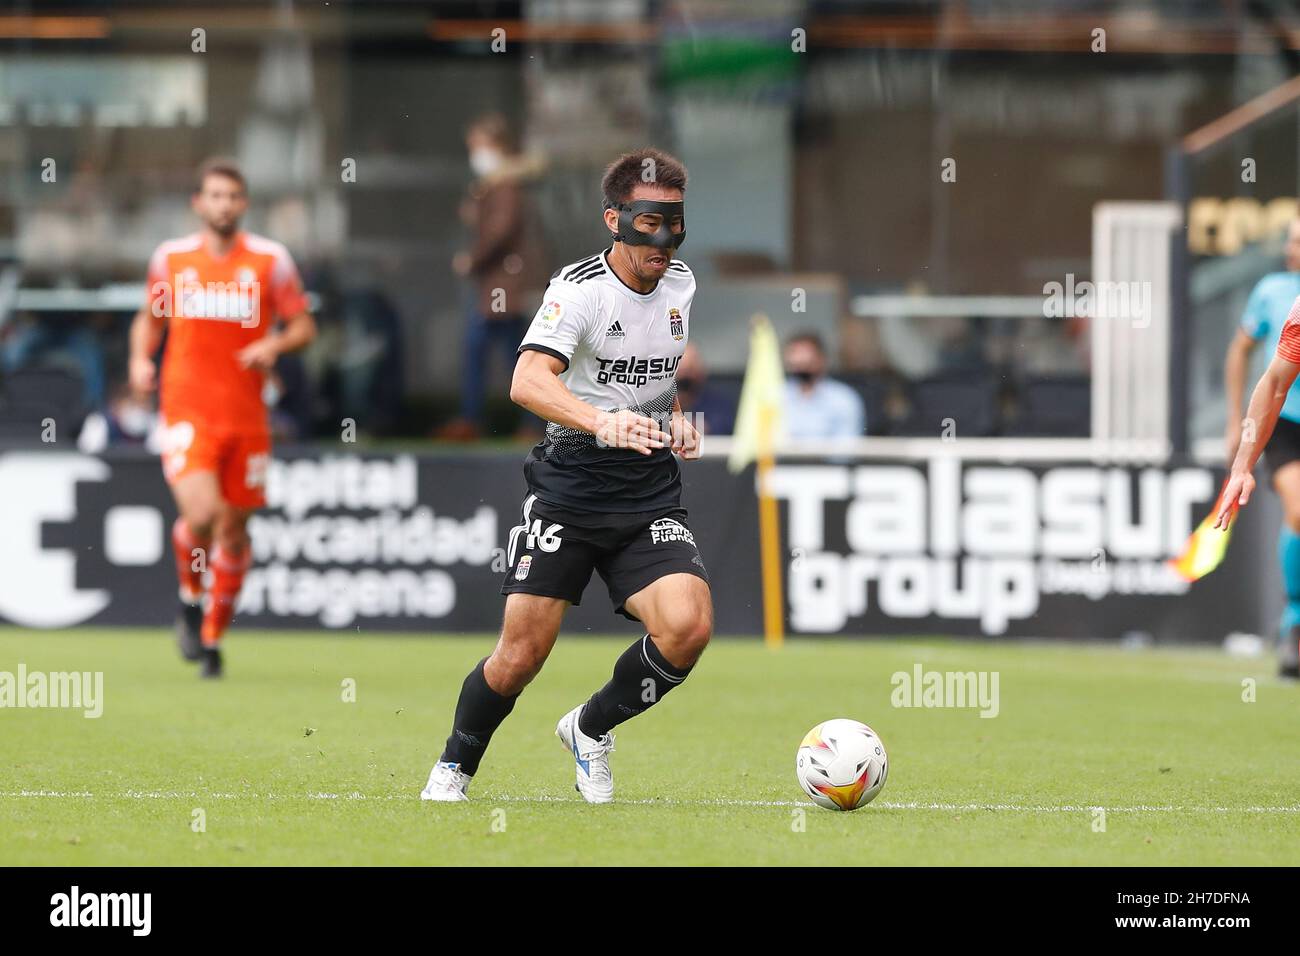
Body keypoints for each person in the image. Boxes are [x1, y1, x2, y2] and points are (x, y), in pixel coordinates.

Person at [422, 147, 710, 803]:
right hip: (570, 493)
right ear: (614, 218)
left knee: (688, 628)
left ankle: (589, 728)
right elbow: (527, 380)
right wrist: (600, 422)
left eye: (675, 220)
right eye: (648, 221)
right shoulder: (577, 290)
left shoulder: (682, 284)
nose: (663, 238)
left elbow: (652, 381)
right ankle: (455, 766)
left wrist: (676, 421)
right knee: (521, 655)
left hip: (647, 492)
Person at [128, 158, 316, 678]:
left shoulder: (269, 262)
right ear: (198, 202)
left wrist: (273, 344)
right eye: (214, 195)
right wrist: (140, 360)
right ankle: (191, 600)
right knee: (203, 514)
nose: (223, 204)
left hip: (247, 417)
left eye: (232, 196)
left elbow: (303, 325)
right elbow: (151, 319)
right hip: (187, 408)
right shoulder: (172, 260)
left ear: (244, 204)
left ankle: (211, 637)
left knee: (234, 533)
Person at [1223, 218, 1300, 678]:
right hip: (1290, 425)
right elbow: (1272, 383)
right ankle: (1294, 622)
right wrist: (1242, 465)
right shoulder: (1286, 300)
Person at [440, 114, 542, 440]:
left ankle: (485, 419)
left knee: (492, 350)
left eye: (478, 146)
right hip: (496, 287)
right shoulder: (491, 186)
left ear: (496, 146)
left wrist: (471, 259)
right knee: (510, 352)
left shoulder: (505, 185)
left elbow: (500, 231)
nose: (475, 154)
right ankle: (523, 421)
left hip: (502, 287)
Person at [782, 331, 866, 440]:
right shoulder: (775, 396)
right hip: (784, 457)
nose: (800, 363)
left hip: (827, 457)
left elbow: (847, 448)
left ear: (821, 360)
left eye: (806, 358)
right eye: (795, 357)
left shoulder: (843, 398)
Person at [675, 342, 736, 434]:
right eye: (680, 371)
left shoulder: (719, 404)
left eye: (690, 370)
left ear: (701, 371)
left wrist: (702, 428)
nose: (685, 377)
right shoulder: (659, 403)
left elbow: (727, 431)